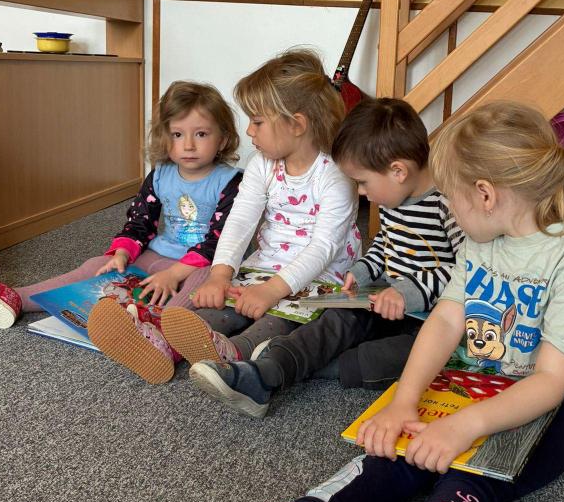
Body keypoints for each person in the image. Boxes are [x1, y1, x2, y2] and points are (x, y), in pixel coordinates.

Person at [205, 100, 564, 502]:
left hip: (552, 406)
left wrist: (462, 427)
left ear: (485, 194)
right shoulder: (484, 239)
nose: (445, 207)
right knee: (395, 449)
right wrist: (405, 401)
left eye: (449, 196)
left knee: (470, 479)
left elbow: (550, 382)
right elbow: (446, 319)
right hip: (474, 381)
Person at [189, 97, 463, 417]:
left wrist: (410, 292)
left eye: (363, 183)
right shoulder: (393, 198)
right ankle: (263, 375)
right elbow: (385, 243)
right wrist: (363, 270)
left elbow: (466, 270)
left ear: (398, 171)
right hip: (385, 300)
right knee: (335, 320)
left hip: (434, 319)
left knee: (392, 357)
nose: (361, 193)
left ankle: (306, 363)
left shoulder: (449, 206)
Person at [0, 81, 243, 383]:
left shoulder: (231, 182)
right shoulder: (161, 174)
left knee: (204, 283)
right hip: (159, 253)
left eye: (202, 134)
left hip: (202, 263)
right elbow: (140, 223)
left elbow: (219, 240)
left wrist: (174, 274)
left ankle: (164, 337)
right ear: (164, 137)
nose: (189, 145)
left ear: (223, 139)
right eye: (177, 134)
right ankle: (19, 298)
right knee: (97, 265)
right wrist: (123, 253)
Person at [158, 49, 360, 391]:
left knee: (276, 318)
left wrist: (272, 290)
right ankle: (168, 345)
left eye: (258, 122)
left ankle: (236, 353)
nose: (249, 131)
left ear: (297, 124)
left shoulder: (335, 176)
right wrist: (220, 275)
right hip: (266, 264)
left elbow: (323, 248)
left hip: (320, 275)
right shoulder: (263, 163)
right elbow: (240, 220)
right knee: (224, 302)